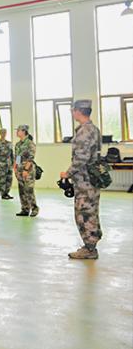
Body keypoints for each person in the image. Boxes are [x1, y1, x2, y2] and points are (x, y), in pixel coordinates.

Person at [60, 100, 103, 259]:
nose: (72, 113)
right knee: (92, 211)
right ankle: (91, 244)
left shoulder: (84, 131)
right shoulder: (94, 129)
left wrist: (68, 173)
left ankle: (90, 249)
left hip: (84, 181)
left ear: (78, 111)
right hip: (91, 179)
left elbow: (81, 158)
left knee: (84, 213)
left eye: (73, 110)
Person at [14, 124, 39, 217]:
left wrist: (25, 169)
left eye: (18, 130)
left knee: (29, 190)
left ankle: (34, 208)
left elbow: (30, 158)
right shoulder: (18, 144)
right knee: (22, 190)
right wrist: (15, 168)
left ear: (24, 131)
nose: (17, 132)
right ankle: (25, 209)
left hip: (28, 170)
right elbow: (17, 157)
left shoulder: (30, 143)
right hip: (19, 170)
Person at [0, 128, 14, 200]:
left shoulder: (9, 143)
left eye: (5, 132)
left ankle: (7, 193)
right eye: (2, 132)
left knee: (9, 180)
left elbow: (12, 154)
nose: (4, 134)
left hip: (9, 165)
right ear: (0, 133)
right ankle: (3, 194)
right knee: (2, 180)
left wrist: (14, 164)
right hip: (1, 165)